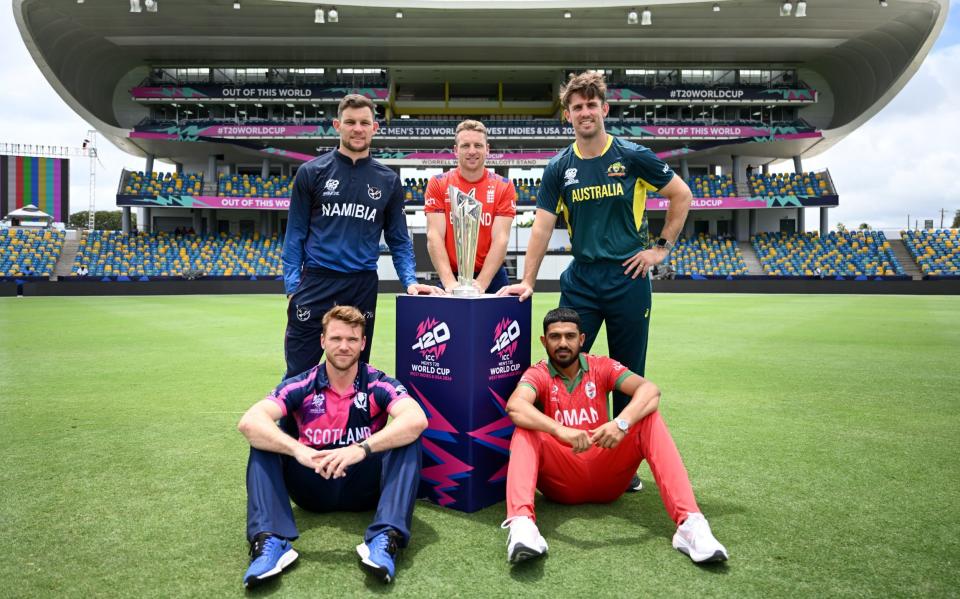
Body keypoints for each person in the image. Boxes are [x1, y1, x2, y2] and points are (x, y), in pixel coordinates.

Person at [498, 71, 693, 490]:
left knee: (627, 371)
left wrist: (660, 248)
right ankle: (561, 452)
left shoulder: (633, 155)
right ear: (568, 115)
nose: (585, 113)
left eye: (591, 105)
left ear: (604, 109)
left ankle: (623, 466)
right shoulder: (558, 168)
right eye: (577, 107)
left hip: (628, 278)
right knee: (563, 365)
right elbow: (541, 228)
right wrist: (528, 280)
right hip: (582, 280)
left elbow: (682, 195)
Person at [500, 308, 728, 565]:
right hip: (562, 481)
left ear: (582, 339)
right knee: (526, 427)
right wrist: (559, 429)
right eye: (555, 337)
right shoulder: (538, 373)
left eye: (569, 336)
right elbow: (515, 406)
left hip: (607, 475)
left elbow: (650, 390)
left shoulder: (601, 366)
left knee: (648, 418)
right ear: (544, 341)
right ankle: (522, 526)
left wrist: (621, 423)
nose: (562, 343)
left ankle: (690, 524)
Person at [238, 306, 428, 587]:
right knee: (264, 440)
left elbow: (416, 418)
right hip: (311, 485)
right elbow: (250, 421)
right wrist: (299, 450)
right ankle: (270, 541)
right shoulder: (300, 384)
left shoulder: (379, 382)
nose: (344, 346)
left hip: (364, 487)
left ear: (363, 344)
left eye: (352, 340)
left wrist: (360, 449)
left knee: (408, 437)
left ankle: (385, 538)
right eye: (336, 338)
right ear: (323, 340)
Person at [282, 94, 441, 379]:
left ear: (374, 128)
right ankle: (289, 425)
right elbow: (295, 233)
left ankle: (354, 424)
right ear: (337, 125)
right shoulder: (311, 172)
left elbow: (399, 239)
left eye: (364, 123)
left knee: (353, 370)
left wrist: (411, 281)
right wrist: (293, 285)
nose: (357, 128)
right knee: (299, 371)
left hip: (361, 284)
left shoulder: (388, 180)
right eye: (351, 122)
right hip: (316, 280)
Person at [424, 119, 517, 293]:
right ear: (455, 150)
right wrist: (450, 283)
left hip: (492, 277)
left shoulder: (504, 186)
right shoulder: (438, 184)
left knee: (500, 321)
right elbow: (434, 236)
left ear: (487, 149)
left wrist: (482, 283)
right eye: (465, 145)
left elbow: (501, 238)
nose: (472, 151)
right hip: (450, 275)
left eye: (478, 145)